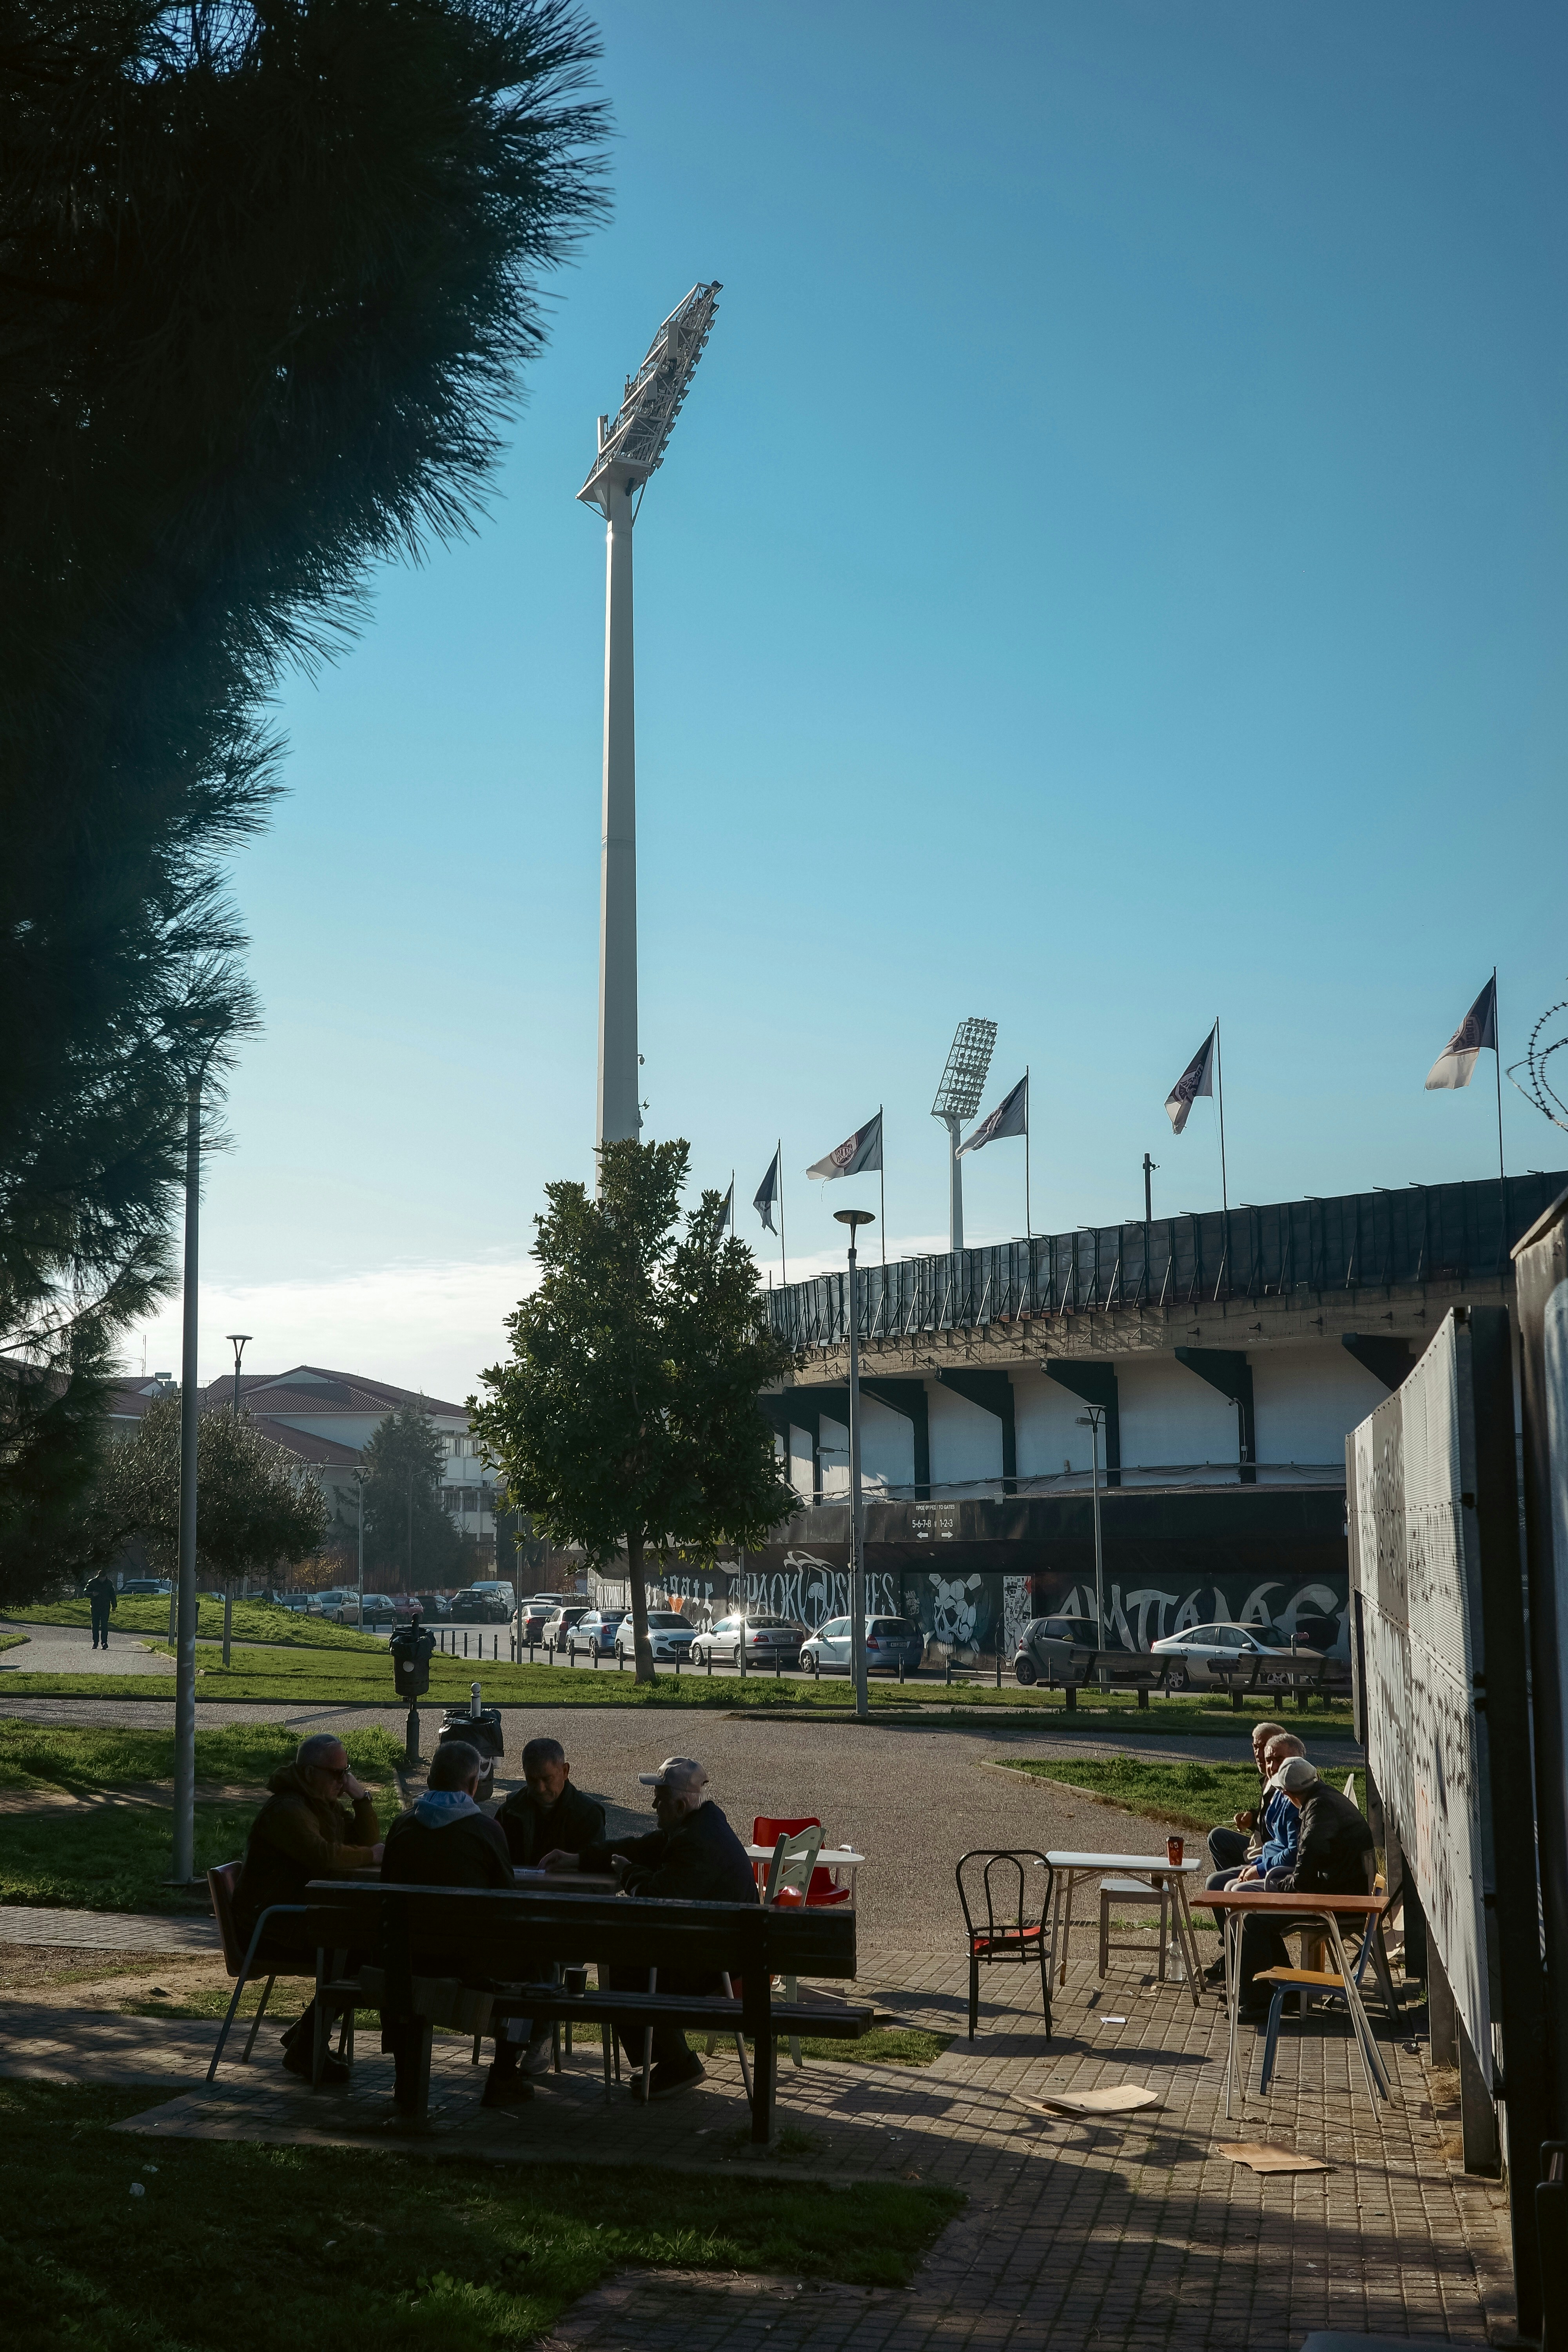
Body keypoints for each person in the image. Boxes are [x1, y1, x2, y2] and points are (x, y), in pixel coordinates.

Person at [544, 1753, 757, 2102]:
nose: (653, 1804)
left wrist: (628, 1873)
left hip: (716, 1965)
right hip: (719, 1950)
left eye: (659, 1799)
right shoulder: (699, 1825)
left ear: (678, 1804)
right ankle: (673, 2060)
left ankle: (676, 2062)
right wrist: (581, 1859)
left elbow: (655, 1897)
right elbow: (641, 1847)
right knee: (629, 1959)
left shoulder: (693, 1843)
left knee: (622, 1964)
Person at [379, 1739, 530, 2111]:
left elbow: (387, 1893)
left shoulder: (402, 1828)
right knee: (535, 1969)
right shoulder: (486, 1830)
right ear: (474, 1785)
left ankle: (406, 2078)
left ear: (428, 1780)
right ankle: (505, 2074)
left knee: (399, 1964)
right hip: (473, 1967)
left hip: (407, 1963)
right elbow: (507, 1902)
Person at [234, 1734, 383, 2083]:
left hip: (293, 1917)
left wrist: (362, 1798)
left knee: (363, 1948)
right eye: (335, 1774)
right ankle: (307, 2045)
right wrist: (371, 1855)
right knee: (357, 1954)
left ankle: (306, 2037)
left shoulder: (321, 1804)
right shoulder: (288, 1809)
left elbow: (365, 1840)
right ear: (308, 1772)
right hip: (268, 1926)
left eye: (345, 1773)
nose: (341, 1781)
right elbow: (326, 1858)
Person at [494, 1736, 606, 2076]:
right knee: (530, 1948)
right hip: (521, 1921)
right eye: (532, 1780)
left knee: (539, 1949)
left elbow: (597, 1881)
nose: (540, 1788)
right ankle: (520, 2042)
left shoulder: (587, 1814)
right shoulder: (511, 1809)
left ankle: (525, 2040)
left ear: (565, 1771)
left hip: (569, 1923)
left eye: (547, 1779)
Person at [1235, 1755, 1376, 2018]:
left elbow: (1305, 1873)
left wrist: (1278, 1889)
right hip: (1343, 1891)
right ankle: (1278, 1991)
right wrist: (1283, 1886)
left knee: (1253, 1919)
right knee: (1258, 1916)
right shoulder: (1326, 1799)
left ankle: (1262, 2001)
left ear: (1288, 1793)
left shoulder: (1318, 1811)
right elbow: (1308, 1868)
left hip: (1339, 1900)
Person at [1200, 1730, 1305, 1984]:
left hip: (1287, 1876)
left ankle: (1249, 1974)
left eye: (1276, 1759)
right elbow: (1273, 1835)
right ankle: (1240, 1962)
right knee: (1219, 1879)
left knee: (1231, 1889)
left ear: (1297, 1761)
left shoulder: (1294, 1794)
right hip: (1268, 1862)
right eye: (1259, 1750)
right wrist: (1253, 1821)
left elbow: (1293, 1852)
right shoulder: (1277, 1788)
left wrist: (1259, 1868)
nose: (1268, 1763)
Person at [1205, 1720, 1287, 1882]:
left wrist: (1259, 1866)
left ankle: (1235, 1886)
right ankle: (1236, 1884)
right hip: (1257, 1850)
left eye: (1264, 1747)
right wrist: (1252, 1818)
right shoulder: (1267, 1778)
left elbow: (1281, 1835)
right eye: (1255, 1747)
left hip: (1268, 1856)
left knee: (1214, 1882)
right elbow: (1268, 1816)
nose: (1258, 1753)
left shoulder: (1288, 1783)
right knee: (1217, 1836)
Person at [84, 1570, 117, 1651]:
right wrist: (92, 1594)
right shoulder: (92, 1582)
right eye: (101, 1578)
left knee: (104, 1625)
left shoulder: (109, 1583)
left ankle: (104, 1643)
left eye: (104, 1578)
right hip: (95, 1606)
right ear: (98, 1577)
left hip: (106, 1606)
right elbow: (85, 1592)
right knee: (95, 1625)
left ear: (106, 1577)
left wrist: (114, 1605)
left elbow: (112, 1594)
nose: (102, 1579)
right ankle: (95, 1642)